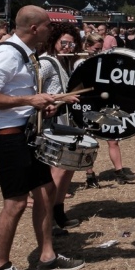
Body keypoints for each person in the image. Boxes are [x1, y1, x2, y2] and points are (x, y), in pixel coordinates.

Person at [0, 6, 84, 270]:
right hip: (7, 139)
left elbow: (18, 93)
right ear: (35, 28)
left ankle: (47, 256)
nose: (53, 29)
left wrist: (44, 104)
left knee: (47, 191)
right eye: (49, 25)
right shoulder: (6, 54)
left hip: (25, 134)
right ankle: (1, 266)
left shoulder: (26, 54)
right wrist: (30, 101)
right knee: (14, 203)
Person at [38, 22, 84, 229]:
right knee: (57, 170)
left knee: (67, 168)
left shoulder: (64, 63)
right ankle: (49, 219)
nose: (68, 47)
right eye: (64, 43)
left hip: (65, 118)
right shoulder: (46, 62)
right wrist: (58, 100)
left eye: (72, 44)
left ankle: (59, 211)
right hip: (52, 121)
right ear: (54, 41)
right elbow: (34, 90)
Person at [75, 33, 134, 189]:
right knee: (88, 141)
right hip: (87, 104)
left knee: (113, 139)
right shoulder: (80, 62)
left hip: (103, 103)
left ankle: (120, 172)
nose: (98, 51)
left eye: (100, 49)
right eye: (95, 49)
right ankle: (90, 175)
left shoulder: (102, 61)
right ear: (87, 46)